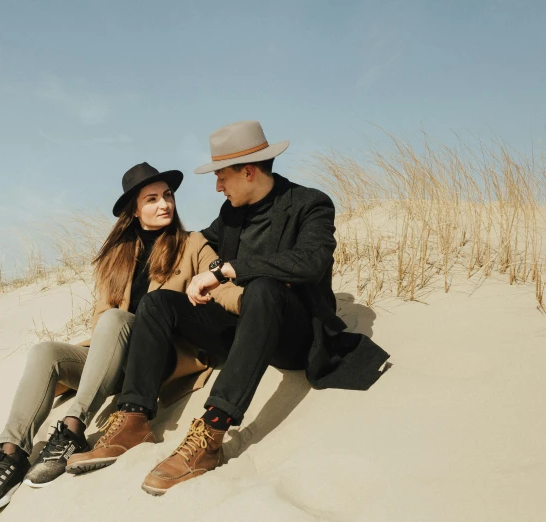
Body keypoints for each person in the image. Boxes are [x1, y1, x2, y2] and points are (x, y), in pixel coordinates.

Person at [66, 120, 389, 495]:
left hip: (293, 336)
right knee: (158, 303)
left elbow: (312, 261)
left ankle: (211, 432)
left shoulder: (309, 204)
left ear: (248, 171)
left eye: (222, 176)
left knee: (264, 289)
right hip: (240, 331)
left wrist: (230, 269)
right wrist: (148, 241)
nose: (218, 185)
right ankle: (134, 417)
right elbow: (196, 243)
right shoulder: (231, 213)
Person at [0, 162, 242, 515]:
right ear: (135, 211)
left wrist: (246, 302)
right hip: (114, 359)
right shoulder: (116, 258)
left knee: (114, 318)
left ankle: (73, 428)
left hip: (163, 358)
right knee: (45, 351)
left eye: (168, 196)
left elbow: (222, 288)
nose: (164, 205)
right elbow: (102, 322)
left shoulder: (192, 245)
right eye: (152, 199)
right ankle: (11, 455)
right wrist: (100, 358)